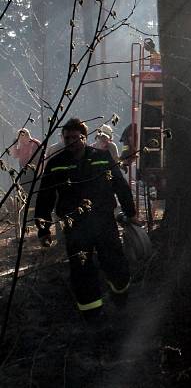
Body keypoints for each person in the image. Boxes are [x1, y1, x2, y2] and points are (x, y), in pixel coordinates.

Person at [35, 118, 136, 317]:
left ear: (85, 137)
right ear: (63, 139)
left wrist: (131, 213)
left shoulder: (102, 157)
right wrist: (43, 229)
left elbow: (120, 186)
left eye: (75, 137)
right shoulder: (56, 164)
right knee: (81, 272)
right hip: (75, 227)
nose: (71, 141)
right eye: (67, 138)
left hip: (104, 222)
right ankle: (92, 316)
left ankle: (120, 298)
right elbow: (45, 197)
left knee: (116, 264)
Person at [10, 128, 42, 201]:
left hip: (34, 171)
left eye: (19, 137)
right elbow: (14, 155)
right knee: (24, 191)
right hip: (23, 172)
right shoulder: (21, 145)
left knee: (34, 192)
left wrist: (39, 173)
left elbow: (42, 159)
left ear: (24, 135)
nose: (18, 139)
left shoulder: (35, 143)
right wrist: (14, 145)